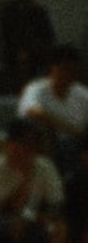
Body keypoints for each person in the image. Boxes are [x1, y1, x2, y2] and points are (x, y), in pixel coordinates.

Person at [17, 43, 88, 179]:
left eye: (72, 70)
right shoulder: (36, 89)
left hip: (78, 146)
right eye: (64, 69)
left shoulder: (82, 94)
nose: (68, 75)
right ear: (53, 67)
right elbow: (32, 112)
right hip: (46, 144)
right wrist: (71, 130)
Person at [0, 0, 56, 95]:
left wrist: (38, 48)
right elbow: (9, 37)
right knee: (20, 60)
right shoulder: (8, 11)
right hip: (15, 57)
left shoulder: (39, 11)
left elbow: (49, 37)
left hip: (38, 55)